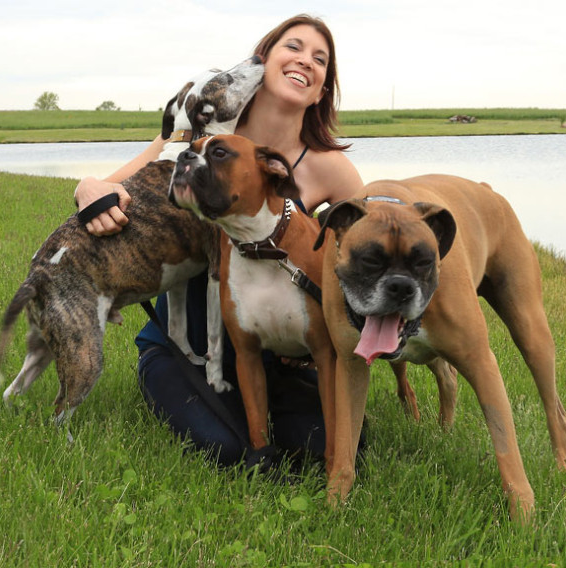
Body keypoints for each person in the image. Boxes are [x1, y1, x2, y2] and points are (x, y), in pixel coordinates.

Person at [73, 14, 363, 470]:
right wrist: (88, 188)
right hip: (183, 348)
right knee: (228, 449)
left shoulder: (330, 168)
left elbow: (363, 248)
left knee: (321, 444)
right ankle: (168, 383)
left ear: (323, 89)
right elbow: (105, 184)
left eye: (320, 59)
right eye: (294, 47)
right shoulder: (196, 137)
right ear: (261, 63)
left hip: (273, 352)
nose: (305, 61)